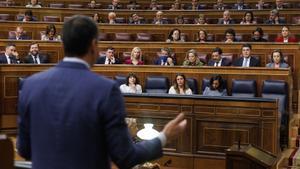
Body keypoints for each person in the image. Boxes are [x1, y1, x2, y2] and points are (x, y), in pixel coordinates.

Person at [17, 15, 187, 169]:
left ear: (64, 45)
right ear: (93, 45)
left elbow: (24, 149)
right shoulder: (106, 90)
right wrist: (164, 136)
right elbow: (125, 157)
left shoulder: (31, 85)